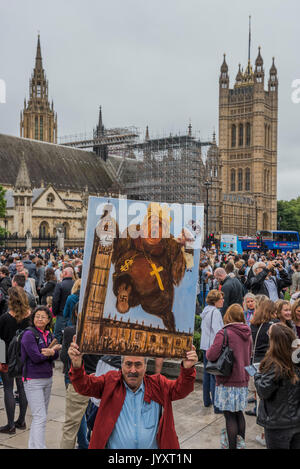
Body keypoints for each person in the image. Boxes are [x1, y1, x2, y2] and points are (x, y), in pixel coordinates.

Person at [68, 341, 198, 449]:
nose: (133, 370)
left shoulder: (158, 385)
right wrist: (77, 363)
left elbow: (182, 389)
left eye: (138, 365)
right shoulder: (110, 382)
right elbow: (83, 386)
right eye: (128, 364)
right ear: (122, 365)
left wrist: (187, 368)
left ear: (146, 366)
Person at [206, 303, 252, 449]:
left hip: (227, 381)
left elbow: (211, 355)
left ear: (228, 316)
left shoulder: (224, 333)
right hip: (242, 380)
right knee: (239, 414)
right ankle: (241, 445)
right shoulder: (248, 333)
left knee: (229, 416)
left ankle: (232, 447)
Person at [60, 304, 100, 449]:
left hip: (80, 380)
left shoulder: (71, 330)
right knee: (99, 424)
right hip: (98, 380)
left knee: (72, 424)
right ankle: (84, 443)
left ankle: (83, 443)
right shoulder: (102, 330)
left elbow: (64, 357)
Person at [20, 306, 61, 449]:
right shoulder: (28, 335)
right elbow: (36, 357)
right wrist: (51, 352)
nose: (40, 319)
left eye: (43, 317)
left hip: (47, 378)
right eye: (37, 316)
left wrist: (51, 352)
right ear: (33, 318)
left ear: (49, 319)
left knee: (40, 417)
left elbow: (56, 356)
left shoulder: (48, 334)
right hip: (33, 380)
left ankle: (33, 446)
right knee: (40, 417)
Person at [254, 322, 300, 449]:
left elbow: (263, 390)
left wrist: (257, 375)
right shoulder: (295, 360)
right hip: (296, 421)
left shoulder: (276, 364)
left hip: (278, 424)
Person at [247, 299, 278, 444]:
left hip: (255, 363)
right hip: (267, 363)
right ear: (270, 312)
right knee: (268, 400)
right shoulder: (272, 326)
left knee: (260, 399)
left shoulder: (253, 325)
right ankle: (266, 435)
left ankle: (263, 433)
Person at [0, 287, 31, 433]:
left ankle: (11, 425)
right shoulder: (30, 316)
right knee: (22, 388)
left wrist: (1, 360)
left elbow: (0, 341)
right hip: (24, 357)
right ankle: (22, 421)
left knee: (8, 389)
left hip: (7, 357)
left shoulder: (5, 318)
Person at [200, 289, 224, 413]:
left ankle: (206, 400)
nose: (223, 300)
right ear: (215, 301)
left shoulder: (206, 310)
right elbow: (218, 331)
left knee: (206, 373)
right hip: (213, 346)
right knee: (214, 375)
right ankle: (217, 405)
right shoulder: (215, 312)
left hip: (205, 346)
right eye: (221, 298)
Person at [52, 267, 74, 343]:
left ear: (65, 273)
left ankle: (56, 353)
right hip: (73, 315)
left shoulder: (60, 285)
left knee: (57, 336)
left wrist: (54, 312)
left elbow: (55, 300)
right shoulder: (76, 284)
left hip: (61, 314)